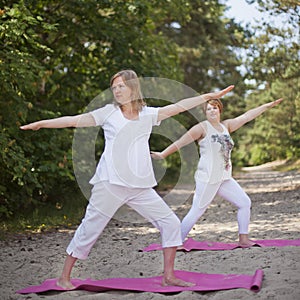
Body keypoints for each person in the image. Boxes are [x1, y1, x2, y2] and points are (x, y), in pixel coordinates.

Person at [20, 69, 234, 288]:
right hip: (110, 183)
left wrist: (207, 97)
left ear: (133, 88)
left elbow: (178, 106)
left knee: (170, 222)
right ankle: (64, 277)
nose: (116, 90)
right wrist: (42, 123)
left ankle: (169, 276)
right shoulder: (108, 113)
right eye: (114, 87)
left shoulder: (148, 114)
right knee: (90, 228)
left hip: (139, 186)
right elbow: (74, 120)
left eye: (121, 86)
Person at [151, 96, 283, 247]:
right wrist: (163, 154)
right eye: (208, 109)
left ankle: (243, 239)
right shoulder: (202, 128)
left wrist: (267, 105)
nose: (211, 110)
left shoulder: (227, 126)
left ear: (220, 110)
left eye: (214, 107)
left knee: (244, 203)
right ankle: (175, 242)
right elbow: (181, 142)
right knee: (196, 211)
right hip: (207, 178)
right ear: (205, 113)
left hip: (224, 178)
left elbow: (247, 116)